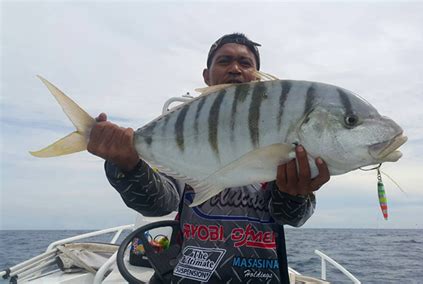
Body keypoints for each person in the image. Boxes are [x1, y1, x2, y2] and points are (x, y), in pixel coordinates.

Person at [87, 33, 330, 283]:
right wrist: (127, 166)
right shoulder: (185, 131)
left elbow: (291, 217)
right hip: (190, 276)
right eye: (224, 61)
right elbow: (159, 202)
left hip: (260, 276)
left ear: (257, 76)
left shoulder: (277, 129)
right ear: (207, 76)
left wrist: (295, 194)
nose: (235, 68)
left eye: (245, 63)